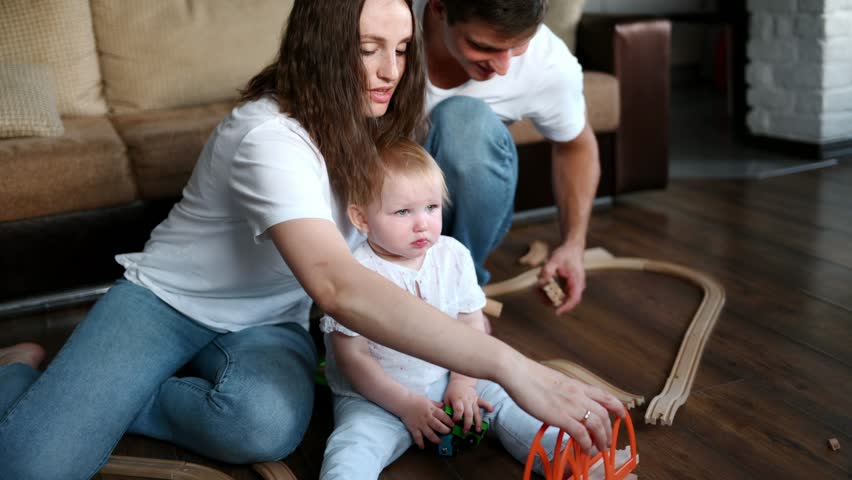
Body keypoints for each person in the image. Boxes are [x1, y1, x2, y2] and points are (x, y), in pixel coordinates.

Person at [0, 1, 623, 479]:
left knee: (263, 427)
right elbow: (335, 283)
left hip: (273, 319)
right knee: (32, 467)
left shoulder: (378, 125)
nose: (389, 71)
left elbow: (368, 262)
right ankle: (34, 371)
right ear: (323, 49)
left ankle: (93, 389)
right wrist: (511, 367)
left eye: (401, 50)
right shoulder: (267, 135)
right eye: (367, 49)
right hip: (167, 304)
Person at [320, 139, 581, 479]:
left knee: (507, 402)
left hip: (448, 377)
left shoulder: (453, 255)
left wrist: (463, 382)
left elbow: (471, 323)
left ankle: (567, 458)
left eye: (431, 207)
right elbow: (353, 358)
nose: (422, 224)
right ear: (361, 218)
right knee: (354, 447)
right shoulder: (353, 273)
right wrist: (406, 405)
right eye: (402, 212)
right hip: (377, 398)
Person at [417, 0, 599, 314]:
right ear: (438, 7)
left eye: (517, 47)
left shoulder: (548, 63)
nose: (502, 68)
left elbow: (576, 147)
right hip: (370, 200)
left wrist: (573, 244)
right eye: (482, 46)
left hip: (450, 212)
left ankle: (458, 290)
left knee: (465, 122)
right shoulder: (383, 21)